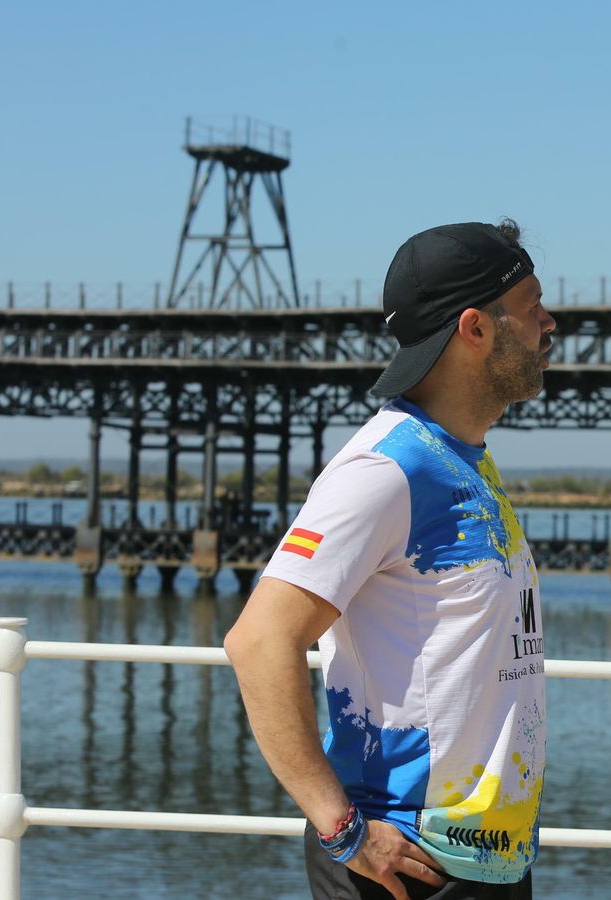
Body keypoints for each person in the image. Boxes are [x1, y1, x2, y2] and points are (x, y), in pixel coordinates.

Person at [225, 220, 555, 900]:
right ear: (476, 329)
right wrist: (342, 830)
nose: (550, 324)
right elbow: (259, 640)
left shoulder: (467, 460)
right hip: (406, 864)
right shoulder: (387, 468)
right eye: (532, 306)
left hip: (488, 862)